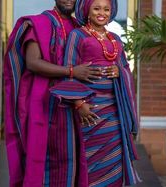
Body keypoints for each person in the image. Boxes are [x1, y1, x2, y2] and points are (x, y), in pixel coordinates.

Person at [4, 0, 103, 186]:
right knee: (43, 161)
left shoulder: (80, 27)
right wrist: (71, 71)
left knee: (71, 158)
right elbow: (33, 63)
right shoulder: (39, 23)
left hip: (73, 106)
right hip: (44, 103)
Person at [50, 0, 141, 186]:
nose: (102, 13)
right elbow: (69, 69)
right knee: (90, 167)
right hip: (90, 112)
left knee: (114, 165)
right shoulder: (78, 35)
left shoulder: (115, 38)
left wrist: (118, 71)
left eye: (106, 9)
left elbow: (125, 68)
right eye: (97, 8)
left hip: (115, 114)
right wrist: (79, 104)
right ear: (87, 11)